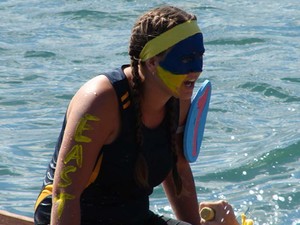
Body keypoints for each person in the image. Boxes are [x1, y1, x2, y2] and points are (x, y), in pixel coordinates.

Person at [34, 5, 241, 225]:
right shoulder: (100, 101)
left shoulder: (179, 96)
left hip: (132, 218)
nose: (196, 68)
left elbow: (177, 167)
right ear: (152, 62)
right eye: (185, 59)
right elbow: (65, 194)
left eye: (199, 56)